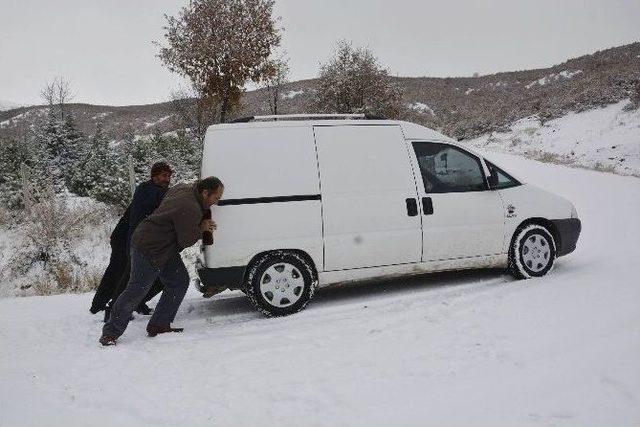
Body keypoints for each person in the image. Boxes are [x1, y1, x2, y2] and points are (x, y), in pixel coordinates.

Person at [99, 177, 224, 346]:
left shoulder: (184, 188)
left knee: (178, 281)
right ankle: (110, 333)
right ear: (204, 192)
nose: (216, 202)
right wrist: (201, 227)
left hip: (163, 247)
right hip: (149, 247)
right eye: (216, 198)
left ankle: (159, 324)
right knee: (136, 290)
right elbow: (186, 240)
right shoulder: (190, 208)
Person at [89, 162, 173, 319]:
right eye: (163, 176)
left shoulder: (154, 190)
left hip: (131, 237)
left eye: (168, 176)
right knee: (126, 275)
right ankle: (111, 309)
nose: (167, 179)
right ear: (154, 177)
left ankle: (126, 304)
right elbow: (160, 199)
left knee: (133, 275)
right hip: (129, 239)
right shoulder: (148, 190)